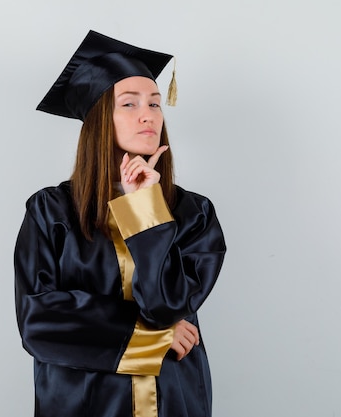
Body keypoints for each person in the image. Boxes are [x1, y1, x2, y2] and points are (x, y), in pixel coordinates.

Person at [14, 30, 226, 417]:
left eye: (156, 103)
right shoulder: (52, 211)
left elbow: (167, 306)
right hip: (84, 403)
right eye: (129, 104)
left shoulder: (193, 213)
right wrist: (154, 337)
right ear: (98, 121)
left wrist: (145, 209)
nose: (149, 115)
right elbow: (39, 322)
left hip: (174, 400)